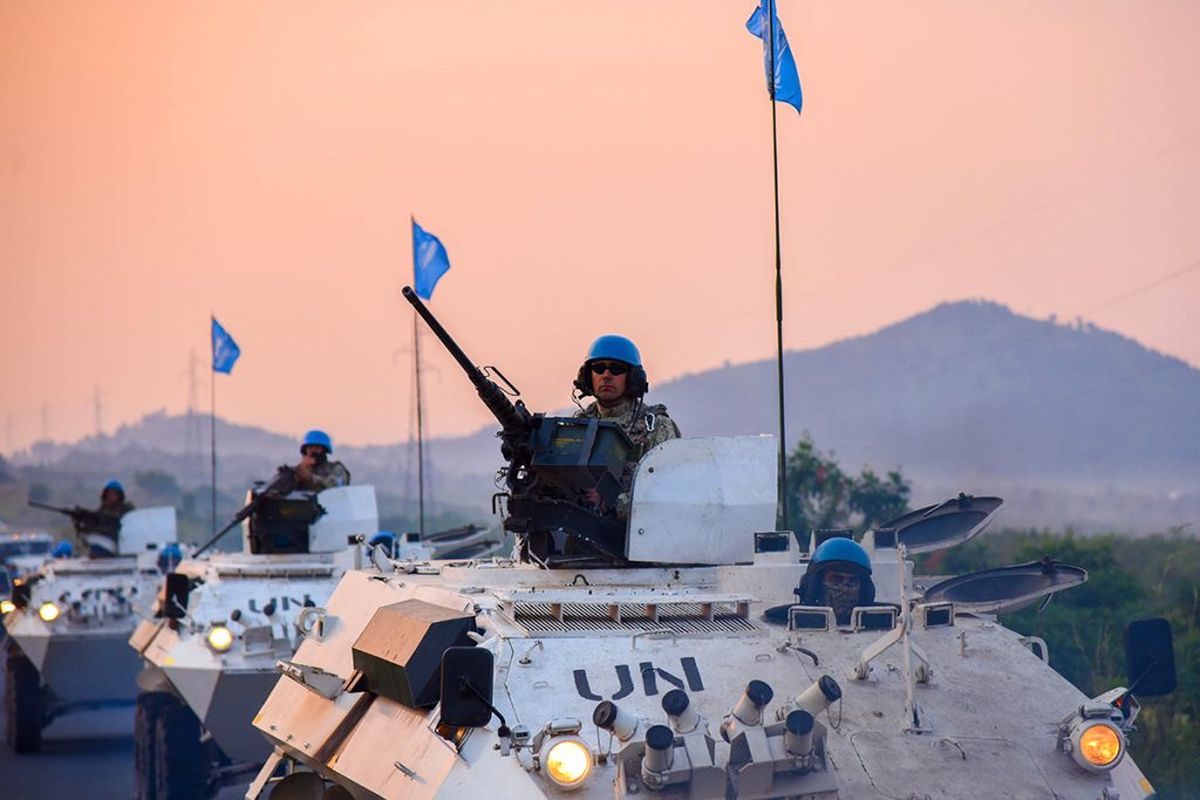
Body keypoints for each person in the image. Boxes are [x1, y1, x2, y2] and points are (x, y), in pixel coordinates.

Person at [573, 334, 680, 518]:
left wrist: (612, 502)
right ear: (588, 377)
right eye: (599, 368)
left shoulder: (655, 427)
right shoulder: (578, 425)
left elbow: (670, 491)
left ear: (633, 378)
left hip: (637, 538)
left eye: (616, 369)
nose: (606, 376)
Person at [795, 537, 876, 625]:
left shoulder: (884, 629)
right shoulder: (788, 623)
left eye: (852, 580)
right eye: (836, 579)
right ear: (815, 586)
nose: (845, 588)